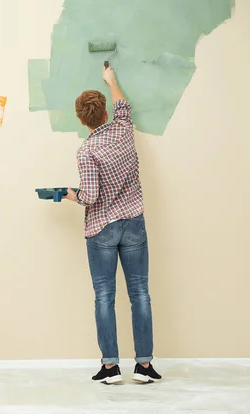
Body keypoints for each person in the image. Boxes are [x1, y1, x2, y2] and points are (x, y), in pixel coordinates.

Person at [63, 66, 162, 385]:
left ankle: (110, 367)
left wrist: (68, 194)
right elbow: (124, 106)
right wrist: (111, 81)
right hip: (133, 221)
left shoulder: (87, 150)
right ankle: (144, 366)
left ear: (82, 120)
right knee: (140, 293)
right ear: (105, 112)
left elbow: (89, 196)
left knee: (104, 295)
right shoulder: (122, 129)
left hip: (101, 230)